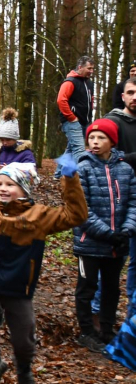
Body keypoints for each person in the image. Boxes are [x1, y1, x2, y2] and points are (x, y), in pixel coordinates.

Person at [0, 142, 86, 384]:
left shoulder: (39, 216)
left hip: (18, 285)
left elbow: (75, 215)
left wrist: (70, 180)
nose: (2, 188)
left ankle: (24, 367)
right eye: (0, 183)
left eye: (9, 185)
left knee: (23, 338)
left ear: (23, 189)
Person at [73, 119, 136, 353]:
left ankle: (107, 329)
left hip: (117, 244)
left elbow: (133, 202)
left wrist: (126, 231)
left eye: (101, 138)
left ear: (112, 141)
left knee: (111, 287)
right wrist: (107, 234)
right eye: (92, 138)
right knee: (87, 287)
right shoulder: (83, 168)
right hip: (89, 243)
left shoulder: (126, 169)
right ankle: (87, 331)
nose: (95, 142)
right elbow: (81, 209)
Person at [107, 78, 136, 320]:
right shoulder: (113, 122)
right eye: (131, 92)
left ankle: (132, 315)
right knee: (112, 262)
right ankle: (99, 315)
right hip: (120, 200)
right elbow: (108, 158)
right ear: (123, 95)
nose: (135, 97)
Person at [57, 55, 96, 161]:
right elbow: (61, 100)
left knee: (70, 150)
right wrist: (71, 117)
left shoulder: (89, 83)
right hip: (72, 122)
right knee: (79, 150)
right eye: (89, 68)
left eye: (92, 68)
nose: (91, 71)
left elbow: (90, 100)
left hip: (84, 121)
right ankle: (82, 175)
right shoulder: (70, 82)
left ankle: (58, 175)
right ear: (80, 67)